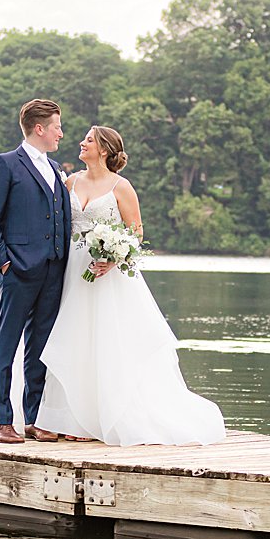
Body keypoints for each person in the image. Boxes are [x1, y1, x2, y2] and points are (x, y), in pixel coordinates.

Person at [34, 125, 226, 446]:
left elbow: (135, 234)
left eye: (89, 140)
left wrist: (112, 256)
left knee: (107, 343)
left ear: (105, 150)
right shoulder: (70, 181)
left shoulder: (121, 187)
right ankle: (69, 419)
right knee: (74, 339)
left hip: (108, 275)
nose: (81, 143)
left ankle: (98, 419)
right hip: (73, 272)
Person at [0, 99, 72, 445]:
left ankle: (33, 418)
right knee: (6, 345)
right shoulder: (5, 165)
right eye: (57, 126)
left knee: (40, 348)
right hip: (18, 270)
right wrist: (4, 262)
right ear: (39, 128)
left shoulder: (56, 168)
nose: (61, 133)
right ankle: (1, 419)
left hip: (53, 270)